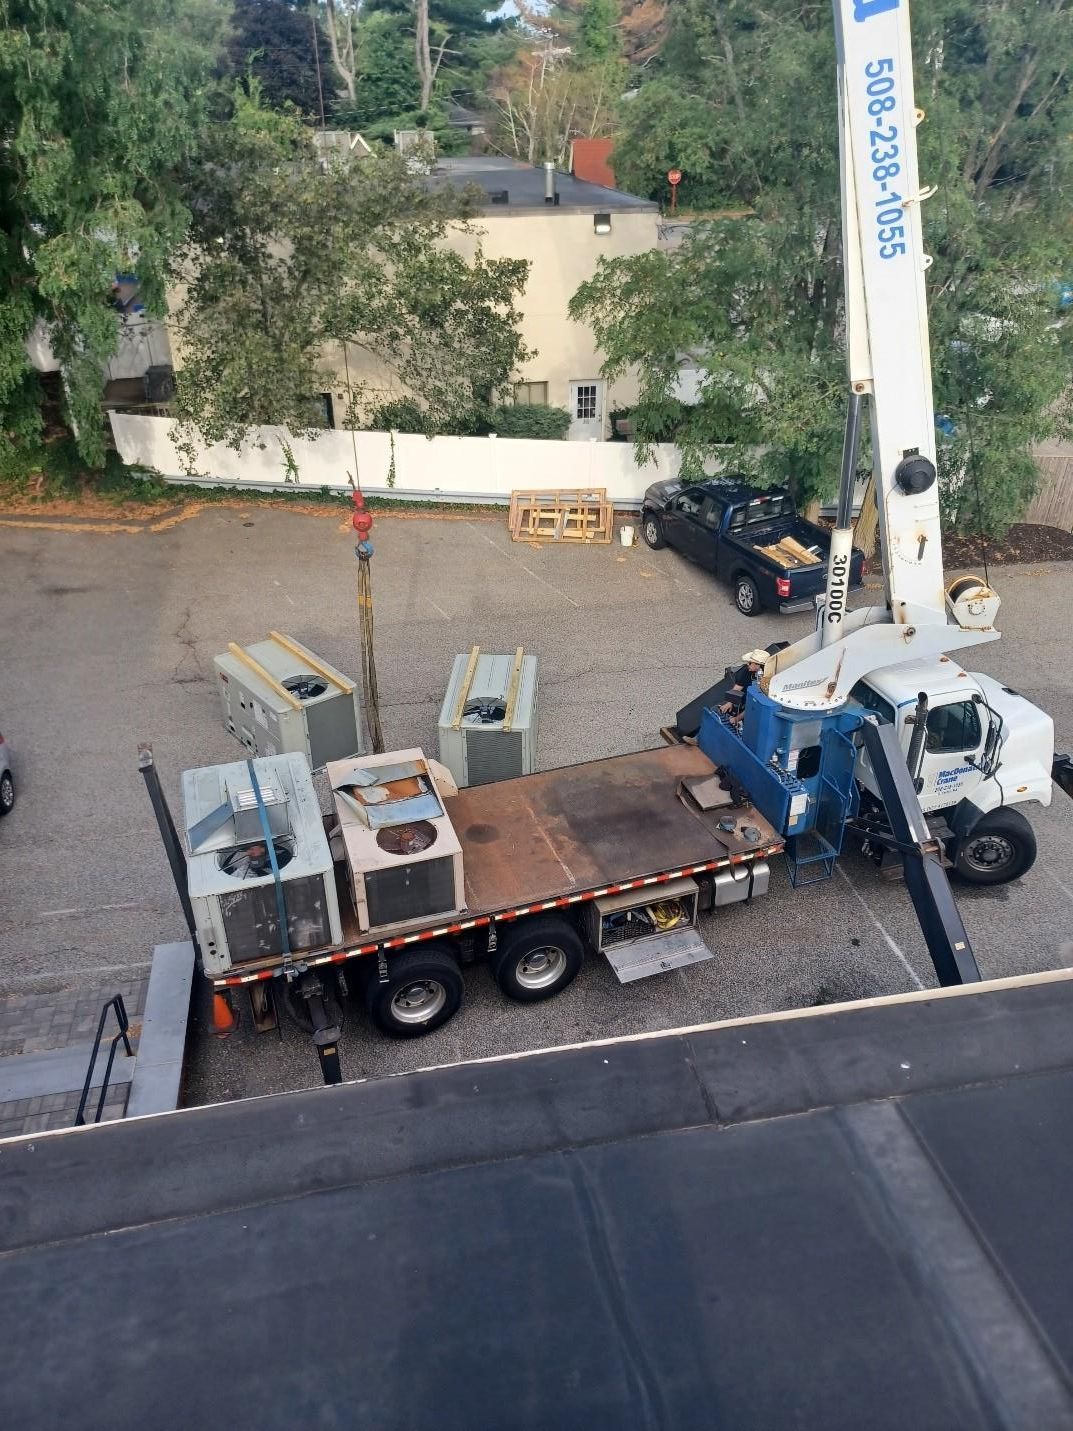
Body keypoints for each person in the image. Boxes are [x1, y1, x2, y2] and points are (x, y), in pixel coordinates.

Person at [719, 648, 771, 719]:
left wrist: (737, 718)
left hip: (758, 702)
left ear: (758, 665)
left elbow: (755, 704)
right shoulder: (745, 671)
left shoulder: (767, 677)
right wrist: (729, 703)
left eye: (750, 663)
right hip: (747, 697)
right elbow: (737, 688)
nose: (747, 664)